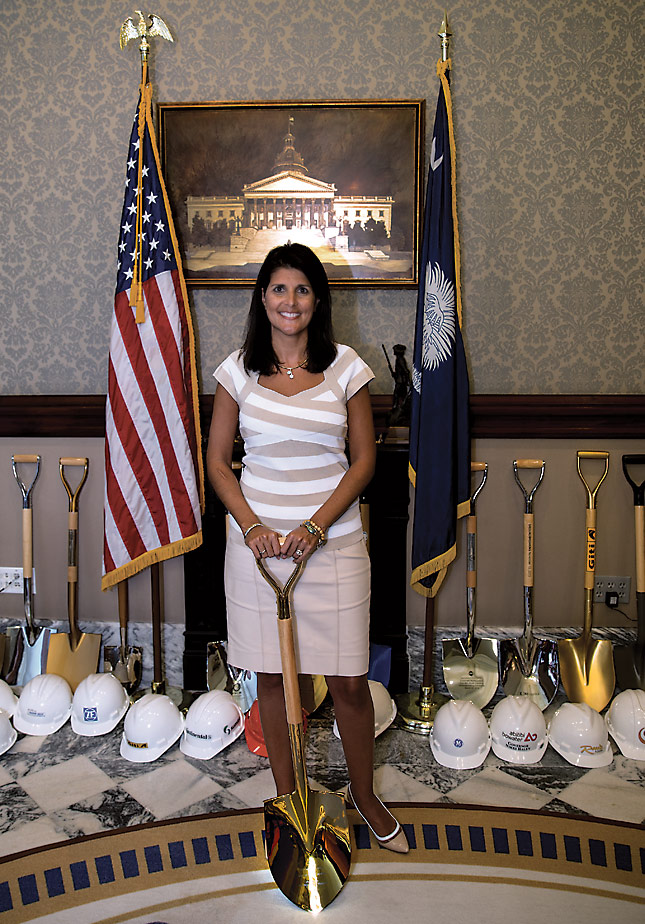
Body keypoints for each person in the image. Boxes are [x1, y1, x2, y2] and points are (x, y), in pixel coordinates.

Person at [207, 242, 408, 853]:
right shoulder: (236, 369)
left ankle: (366, 799)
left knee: (348, 681)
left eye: (300, 289)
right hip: (258, 554)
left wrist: (316, 527)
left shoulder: (348, 366)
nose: (288, 301)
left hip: (335, 547)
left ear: (317, 299)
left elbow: (365, 460)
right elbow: (217, 463)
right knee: (271, 678)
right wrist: (251, 527)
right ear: (261, 298)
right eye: (277, 288)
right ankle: (289, 799)